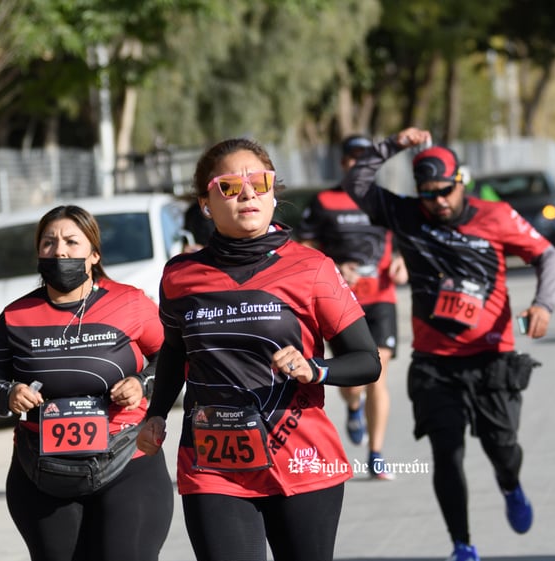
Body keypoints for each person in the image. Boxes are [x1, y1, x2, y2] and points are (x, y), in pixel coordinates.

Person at [136, 137, 381, 561]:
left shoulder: (311, 267)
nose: (248, 193)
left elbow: (366, 361)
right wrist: (156, 412)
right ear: (206, 203)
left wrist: (315, 369)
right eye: (230, 185)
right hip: (212, 464)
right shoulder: (180, 275)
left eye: (260, 182)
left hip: (301, 458)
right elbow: (175, 352)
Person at [342, 127, 555, 561]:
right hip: (435, 361)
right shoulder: (407, 214)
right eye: (428, 193)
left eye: (445, 191)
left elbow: (547, 255)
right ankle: (462, 545)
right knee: (447, 452)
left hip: (491, 357)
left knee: (503, 450)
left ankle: (510, 484)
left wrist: (544, 304)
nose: (438, 201)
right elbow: (357, 183)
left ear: (461, 181)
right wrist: (393, 145)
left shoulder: (495, 215)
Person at [0, 205, 173, 561]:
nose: (59, 251)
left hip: (128, 459)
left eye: (70, 241)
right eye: (48, 243)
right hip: (43, 471)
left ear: (94, 254)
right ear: (38, 253)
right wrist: (10, 392)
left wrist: (141, 383)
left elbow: (171, 357)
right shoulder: (15, 315)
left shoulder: (131, 303)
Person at [295, 134, 407, 480]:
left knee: (379, 373)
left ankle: (376, 453)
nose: (358, 163)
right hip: (341, 301)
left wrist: (402, 261)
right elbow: (302, 245)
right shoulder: (325, 201)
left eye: (365, 158)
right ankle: (354, 406)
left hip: (381, 299)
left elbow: (405, 240)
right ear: (342, 163)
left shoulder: (385, 201)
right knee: (354, 382)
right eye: (352, 158)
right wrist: (333, 267)